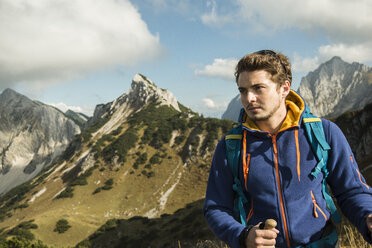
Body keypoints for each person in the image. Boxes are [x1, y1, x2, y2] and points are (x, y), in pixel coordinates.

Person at [203, 50, 372, 248]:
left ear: (284, 88)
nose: (249, 98)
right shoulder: (230, 145)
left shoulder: (323, 132)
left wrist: (368, 215)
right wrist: (243, 235)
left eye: (258, 88)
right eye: (242, 90)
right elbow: (215, 208)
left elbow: (351, 191)